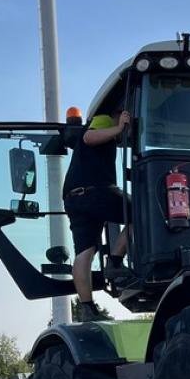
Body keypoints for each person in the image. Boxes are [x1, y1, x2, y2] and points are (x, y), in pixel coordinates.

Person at [62, 110, 130, 321]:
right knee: (145, 212)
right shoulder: (104, 118)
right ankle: (116, 261)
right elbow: (88, 137)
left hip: (74, 197)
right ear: (122, 113)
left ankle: (87, 307)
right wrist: (118, 128)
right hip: (96, 190)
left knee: (85, 251)